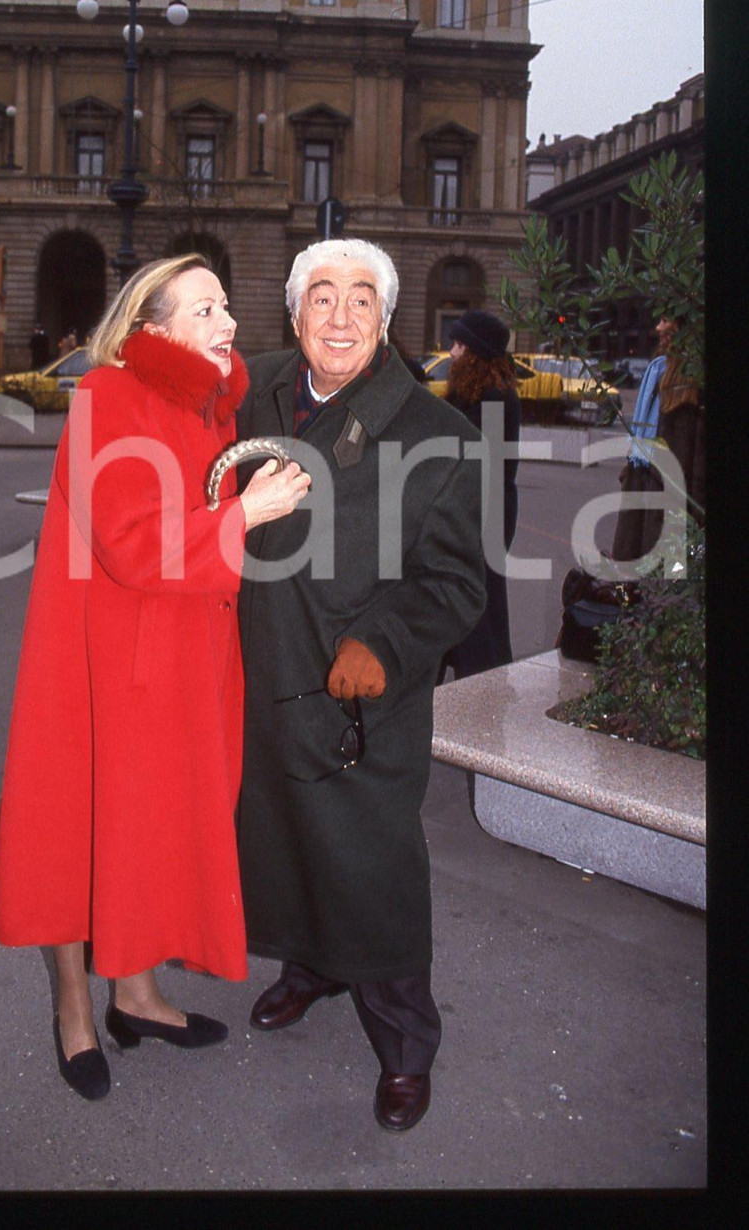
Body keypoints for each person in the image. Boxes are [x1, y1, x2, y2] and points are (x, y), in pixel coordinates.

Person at [0, 254, 310, 1102]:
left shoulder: (205, 405)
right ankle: (72, 1010)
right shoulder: (108, 398)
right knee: (76, 829)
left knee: (152, 831)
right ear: (152, 328)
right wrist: (247, 512)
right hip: (102, 660)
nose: (228, 323)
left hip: (180, 660)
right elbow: (134, 543)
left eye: (227, 307)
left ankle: (134, 993)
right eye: (205, 310)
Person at [235, 237, 486, 1133]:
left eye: (360, 302)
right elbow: (172, 365)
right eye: (322, 300)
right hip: (262, 675)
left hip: (355, 698)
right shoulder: (256, 391)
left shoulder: (439, 436)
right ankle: (311, 966)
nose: (339, 319)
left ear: (386, 319)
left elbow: (457, 583)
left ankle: (407, 1044)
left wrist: (384, 641)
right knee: (284, 843)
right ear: (295, 314)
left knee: (369, 868)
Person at [439, 310, 521, 679]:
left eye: (459, 345)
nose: (452, 352)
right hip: (475, 515)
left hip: (482, 517)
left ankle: (484, 686)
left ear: (475, 353)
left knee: (479, 612)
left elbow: (470, 457)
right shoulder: (477, 393)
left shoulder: (494, 398)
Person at [610, 314, 705, 561]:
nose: (658, 328)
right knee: (639, 572)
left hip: (670, 500)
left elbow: (696, 459)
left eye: (667, 320)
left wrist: (696, 511)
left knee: (668, 576)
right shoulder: (659, 371)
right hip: (644, 487)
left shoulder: (690, 383)